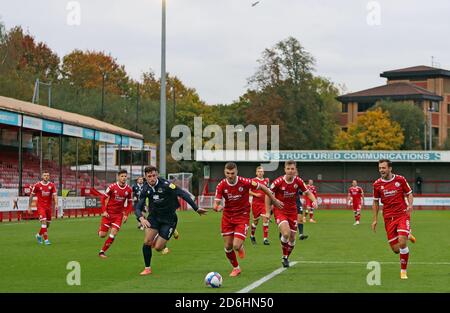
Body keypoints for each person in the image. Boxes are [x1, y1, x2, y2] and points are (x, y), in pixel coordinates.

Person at [135, 166, 207, 276]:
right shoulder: (144, 189)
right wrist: (141, 218)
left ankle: (172, 230)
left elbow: (182, 194)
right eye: (149, 176)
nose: (152, 178)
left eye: (154, 175)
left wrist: (196, 208)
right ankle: (147, 268)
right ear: (145, 177)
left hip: (169, 219)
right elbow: (138, 207)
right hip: (154, 217)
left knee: (158, 248)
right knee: (147, 242)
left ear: (157, 174)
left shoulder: (166, 185)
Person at [214, 162, 282, 277]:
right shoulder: (221, 185)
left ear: (236, 172)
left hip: (242, 216)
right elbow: (216, 204)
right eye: (227, 173)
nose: (230, 176)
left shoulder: (245, 182)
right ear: (224, 172)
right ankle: (236, 268)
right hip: (227, 217)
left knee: (236, 245)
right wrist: (217, 207)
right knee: (228, 246)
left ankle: (240, 247)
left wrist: (274, 200)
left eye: (232, 173)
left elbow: (264, 188)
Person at [266, 161, 317, 268]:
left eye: (292, 169)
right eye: (288, 169)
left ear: (295, 170)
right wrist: (267, 211)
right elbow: (268, 195)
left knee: (292, 238)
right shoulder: (278, 182)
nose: (290, 171)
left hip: (292, 211)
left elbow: (307, 192)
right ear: (285, 169)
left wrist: (314, 200)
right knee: (286, 234)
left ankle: (285, 257)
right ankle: (284, 253)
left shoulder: (298, 181)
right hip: (280, 210)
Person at [372, 159, 417, 280]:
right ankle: (408, 234)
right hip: (388, 218)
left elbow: (409, 193)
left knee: (402, 243)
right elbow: (375, 202)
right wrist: (375, 219)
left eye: (383, 168)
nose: (381, 170)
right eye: (380, 168)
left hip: (402, 214)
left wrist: (410, 205)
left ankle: (403, 271)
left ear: (390, 168)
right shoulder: (377, 184)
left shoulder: (400, 179)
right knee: (396, 249)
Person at [98, 169, 133, 258]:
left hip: (118, 215)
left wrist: (126, 214)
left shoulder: (128, 189)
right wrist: (104, 211)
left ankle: (102, 252)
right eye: (122, 176)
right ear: (118, 177)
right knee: (102, 235)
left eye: (125, 176)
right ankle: (100, 230)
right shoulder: (112, 187)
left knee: (113, 233)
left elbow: (129, 203)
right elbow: (103, 198)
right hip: (108, 214)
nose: (124, 178)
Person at [27, 171, 58, 245]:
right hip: (40, 207)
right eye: (45, 175)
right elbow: (31, 196)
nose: (46, 176)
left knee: (47, 225)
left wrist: (56, 204)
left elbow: (55, 195)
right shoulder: (37, 185)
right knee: (43, 222)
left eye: (48, 175)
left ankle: (39, 235)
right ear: (42, 176)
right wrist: (29, 207)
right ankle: (46, 240)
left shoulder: (52, 185)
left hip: (48, 207)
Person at [249, 166, 271, 245]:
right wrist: (255, 194)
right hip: (256, 204)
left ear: (263, 172)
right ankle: (252, 236)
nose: (260, 173)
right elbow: (248, 191)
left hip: (264, 204)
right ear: (256, 172)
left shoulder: (266, 180)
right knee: (255, 222)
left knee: (265, 219)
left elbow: (268, 191)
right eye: (259, 171)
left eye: (261, 171)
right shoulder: (253, 180)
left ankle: (265, 239)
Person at [295, 169, 308, 240]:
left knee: (300, 218)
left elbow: (300, 191)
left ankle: (301, 234)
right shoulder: (285, 180)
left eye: (296, 172)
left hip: (297, 202)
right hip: (288, 203)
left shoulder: (299, 181)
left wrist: (303, 193)